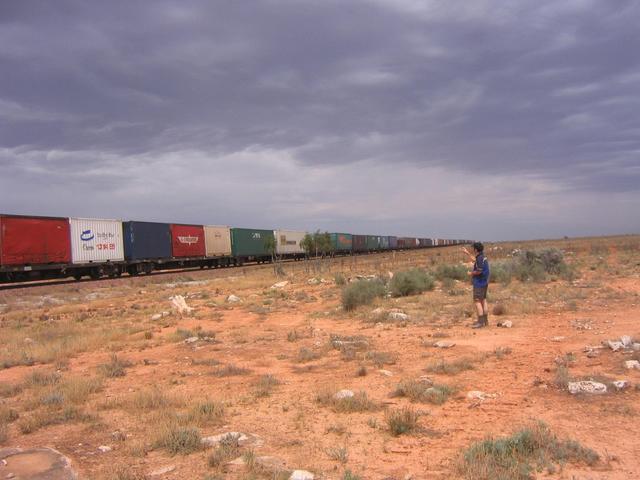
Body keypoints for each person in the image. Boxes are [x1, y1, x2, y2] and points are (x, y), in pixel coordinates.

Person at [461, 242, 490, 328]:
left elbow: (479, 270)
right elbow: (475, 260)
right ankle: (485, 321)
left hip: (479, 283)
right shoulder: (481, 256)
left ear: (476, 249)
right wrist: (467, 253)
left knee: (477, 301)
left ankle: (480, 323)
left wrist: (471, 273)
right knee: (483, 300)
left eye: (473, 248)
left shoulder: (480, 258)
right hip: (484, 282)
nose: (472, 249)